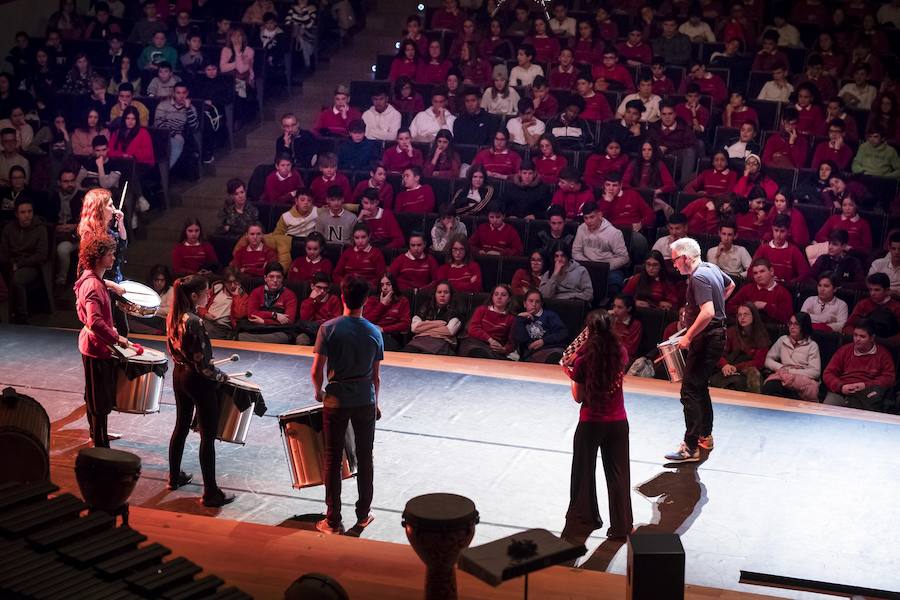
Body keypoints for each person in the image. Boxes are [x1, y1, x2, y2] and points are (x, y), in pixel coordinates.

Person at [166, 274, 235, 507]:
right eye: (206, 292)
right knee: (208, 436)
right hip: (196, 379)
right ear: (194, 295)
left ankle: (174, 478)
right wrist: (221, 378)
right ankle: (210, 492)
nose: (209, 295)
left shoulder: (174, 315)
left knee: (181, 425)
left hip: (179, 375)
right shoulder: (194, 321)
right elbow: (203, 365)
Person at [562, 308, 632, 540]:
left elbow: (578, 397)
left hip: (591, 423)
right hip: (618, 422)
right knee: (619, 475)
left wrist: (571, 373)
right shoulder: (621, 353)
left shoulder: (583, 361)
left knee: (583, 472)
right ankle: (622, 526)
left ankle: (584, 519)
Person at [665, 237, 735, 463]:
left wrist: (688, 335)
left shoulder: (699, 276)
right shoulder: (711, 268)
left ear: (685, 258)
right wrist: (718, 309)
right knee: (699, 387)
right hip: (713, 335)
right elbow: (730, 285)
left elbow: (707, 312)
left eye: (675, 260)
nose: (674, 265)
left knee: (689, 391)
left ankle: (691, 446)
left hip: (707, 338)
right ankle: (705, 436)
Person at [74, 234, 131, 448]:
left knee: (95, 397)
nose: (113, 258)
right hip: (96, 347)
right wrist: (117, 337)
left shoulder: (91, 278)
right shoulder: (94, 286)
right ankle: (100, 445)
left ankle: (99, 436)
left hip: (92, 343)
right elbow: (95, 322)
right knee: (99, 399)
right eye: (110, 254)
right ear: (99, 258)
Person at [823, 319, 896, 411]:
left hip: (867, 393)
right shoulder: (844, 350)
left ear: (872, 338)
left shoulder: (883, 353)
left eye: (862, 336)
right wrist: (841, 387)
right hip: (842, 391)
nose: (857, 339)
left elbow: (889, 378)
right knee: (826, 410)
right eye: (855, 335)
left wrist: (866, 385)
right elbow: (828, 373)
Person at [1, 199, 48, 323]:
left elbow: (41, 255)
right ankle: (9, 315)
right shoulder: (9, 228)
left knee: (18, 279)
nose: (27, 215)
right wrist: (11, 263)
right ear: (16, 214)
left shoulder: (40, 229)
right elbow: (4, 251)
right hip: (11, 263)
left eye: (29, 211)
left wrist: (19, 264)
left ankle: (22, 316)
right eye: (23, 212)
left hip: (32, 265)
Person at [709, 302, 770, 392]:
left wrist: (737, 367)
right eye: (739, 315)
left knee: (752, 375)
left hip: (749, 370)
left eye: (746, 314)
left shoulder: (761, 336)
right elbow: (719, 353)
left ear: (754, 316)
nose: (742, 318)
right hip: (728, 367)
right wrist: (724, 365)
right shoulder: (731, 332)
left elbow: (759, 362)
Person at [762, 312, 822, 402]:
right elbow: (768, 360)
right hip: (783, 376)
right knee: (770, 387)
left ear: (804, 326)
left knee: (793, 394)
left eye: (796, 324)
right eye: (790, 323)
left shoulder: (812, 345)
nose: (792, 327)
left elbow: (815, 372)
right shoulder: (783, 340)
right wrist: (781, 368)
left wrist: (790, 372)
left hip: (801, 380)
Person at [572, 201, 629, 292]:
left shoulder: (614, 233)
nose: (588, 221)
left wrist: (604, 267)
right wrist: (588, 265)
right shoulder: (581, 228)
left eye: (592, 217)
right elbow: (576, 251)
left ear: (599, 215)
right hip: (586, 266)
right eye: (585, 218)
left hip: (608, 269)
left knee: (614, 284)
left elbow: (624, 257)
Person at [726, 258, 793, 325]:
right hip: (747, 328)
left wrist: (766, 306)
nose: (758, 275)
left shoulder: (782, 292)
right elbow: (729, 307)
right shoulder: (747, 289)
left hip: (771, 330)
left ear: (771, 271)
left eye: (762, 271)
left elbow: (786, 318)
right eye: (755, 273)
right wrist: (747, 309)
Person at [403, 281, 463, 355]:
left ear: (451, 295)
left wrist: (424, 328)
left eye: (446, 292)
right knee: (405, 353)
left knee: (427, 357)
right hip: (420, 340)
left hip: (442, 342)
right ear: (435, 294)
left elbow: (450, 331)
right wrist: (440, 324)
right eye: (439, 292)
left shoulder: (455, 310)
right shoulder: (425, 307)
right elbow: (414, 328)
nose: (442, 295)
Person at [459, 284, 516, 359]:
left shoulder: (512, 318)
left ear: (509, 299)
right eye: (496, 294)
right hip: (475, 342)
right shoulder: (482, 310)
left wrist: (504, 349)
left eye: (503, 295)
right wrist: (490, 340)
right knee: (474, 350)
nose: (499, 297)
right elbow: (473, 329)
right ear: (492, 297)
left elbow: (512, 342)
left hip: (494, 349)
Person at [514, 289, 568, 363]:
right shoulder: (520, 318)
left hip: (552, 348)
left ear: (541, 304)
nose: (534, 304)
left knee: (555, 357)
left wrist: (543, 341)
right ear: (524, 303)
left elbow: (562, 333)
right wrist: (520, 319)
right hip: (532, 353)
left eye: (537, 302)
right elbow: (521, 339)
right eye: (531, 301)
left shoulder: (550, 315)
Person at [153, 82, 199, 168]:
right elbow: (158, 124)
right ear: (174, 93)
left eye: (184, 93)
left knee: (178, 142)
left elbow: (195, 127)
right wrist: (173, 133)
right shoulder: (163, 105)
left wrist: (188, 109)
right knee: (176, 140)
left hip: (178, 136)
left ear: (187, 93)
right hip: (161, 134)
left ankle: (163, 173)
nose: (181, 96)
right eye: (178, 93)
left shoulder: (191, 108)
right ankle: (159, 173)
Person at [363, 272, 411, 350]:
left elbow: (405, 324)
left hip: (392, 336)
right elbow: (366, 321)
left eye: (388, 284)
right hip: (372, 334)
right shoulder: (372, 300)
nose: (385, 288)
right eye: (382, 285)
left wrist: (383, 329)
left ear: (394, 285)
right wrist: (382, 305)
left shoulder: (402, 301)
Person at [868, 231, 900, 297]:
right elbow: (868, 282)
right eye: (893, 248)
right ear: (889, 248)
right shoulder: (878, 264)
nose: (897, 252)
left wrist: (896, 294)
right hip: (878, 299)